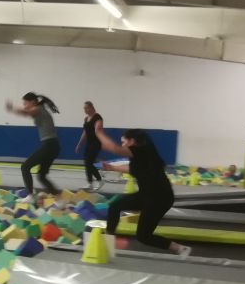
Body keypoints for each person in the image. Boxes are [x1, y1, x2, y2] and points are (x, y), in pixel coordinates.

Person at [94, 122, 191, 257]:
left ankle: (181, 248)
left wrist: (98, 132)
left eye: (124, 142)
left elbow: (113, 148)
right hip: (146, 195)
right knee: (115, 206)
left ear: (132, 141)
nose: (122, 145)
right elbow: (134, 169)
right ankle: (108, 240)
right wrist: (113, 168)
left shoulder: (142, 150)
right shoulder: (141, 155)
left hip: (160, 199)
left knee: (143, 236)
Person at [5, 92, 60, 200]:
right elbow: (27, 112)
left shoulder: (38, 109)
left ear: (33, 102)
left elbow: (26, 113)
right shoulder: (41, 109)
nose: (24, 106)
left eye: (25, 103)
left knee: (25, 167)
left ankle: (30, 196)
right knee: (41, 176)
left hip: (49, 145)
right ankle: (59, 198)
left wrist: (12, 108)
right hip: (53, 146)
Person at [75, 101, 104, 192]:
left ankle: (99, 180)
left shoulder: (97, 118)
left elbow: (98, 130)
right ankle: (90, 183)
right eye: (84, 108)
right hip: (89, 143)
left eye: (86, 108)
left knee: (89, 163)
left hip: (96, 144)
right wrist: (79, 144)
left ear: (91, 107)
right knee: (86, 163)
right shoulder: (86, 118)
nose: (84, 110)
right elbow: (84, 132)